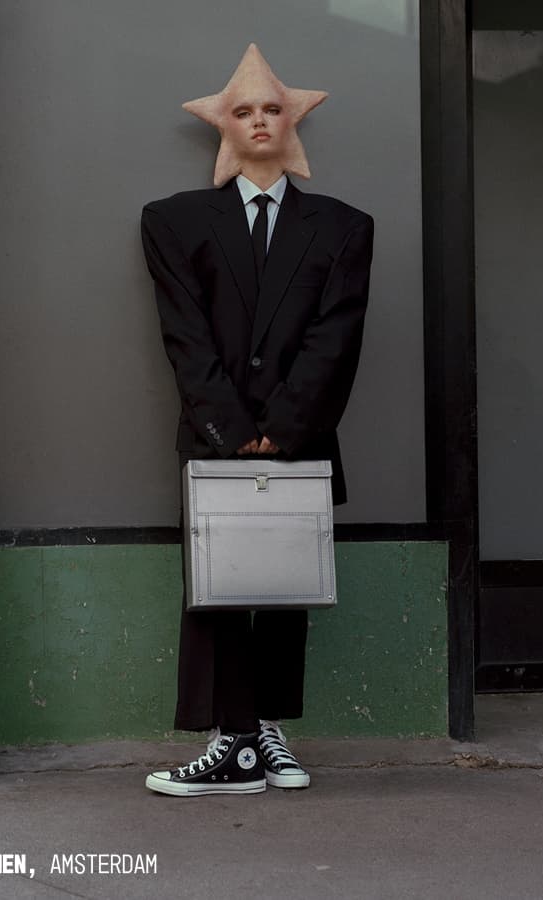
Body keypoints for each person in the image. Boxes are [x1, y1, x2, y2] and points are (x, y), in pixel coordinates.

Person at [141, 44, 374, 797]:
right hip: (215, 432)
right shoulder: (174, 221)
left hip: (301, 431)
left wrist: (285, 424)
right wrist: (235, 427)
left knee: (281, 582)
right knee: (217, 583)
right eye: (243, 110)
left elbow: (336, 336)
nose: (260, 120)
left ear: (293, 117)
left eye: (272, 107)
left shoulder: (344, 228)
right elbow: (186, 335)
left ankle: (264, 729)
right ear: (223, 125)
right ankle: (230, 738)